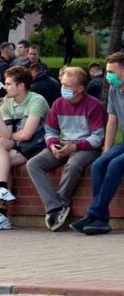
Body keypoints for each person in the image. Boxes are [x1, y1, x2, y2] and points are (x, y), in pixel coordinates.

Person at [26, 66, 104, 231]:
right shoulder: (58, 104)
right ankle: (54, 207)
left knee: (74, 164)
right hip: (63, 144)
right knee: (33, 164)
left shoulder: (94, 105)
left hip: (86, 147)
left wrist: (75, 146)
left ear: (80, 88)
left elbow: (98, 138)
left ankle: (62, 203)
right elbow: (50, 130)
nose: (63, 89)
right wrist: (53, 144)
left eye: (67, 86)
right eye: (62, 85)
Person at [0, 65, 50, 230]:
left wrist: (12, 136)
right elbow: (4, 135)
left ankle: (1, 215)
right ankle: (3, 191)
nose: (4, 88)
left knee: (0, 165)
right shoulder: (7, 103)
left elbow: (27, 134)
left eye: (8, 84)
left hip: (38, 145)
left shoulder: (36, 100)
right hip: (20, 146)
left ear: (21, 86)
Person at [73, 52, 124, 234]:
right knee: (98, 165)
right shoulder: (114, 89)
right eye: (107, 70)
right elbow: (112, 120)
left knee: (116, 164)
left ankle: (94, 214)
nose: (108, 75)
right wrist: (107, 149)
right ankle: (100, 219)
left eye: (112, 71)